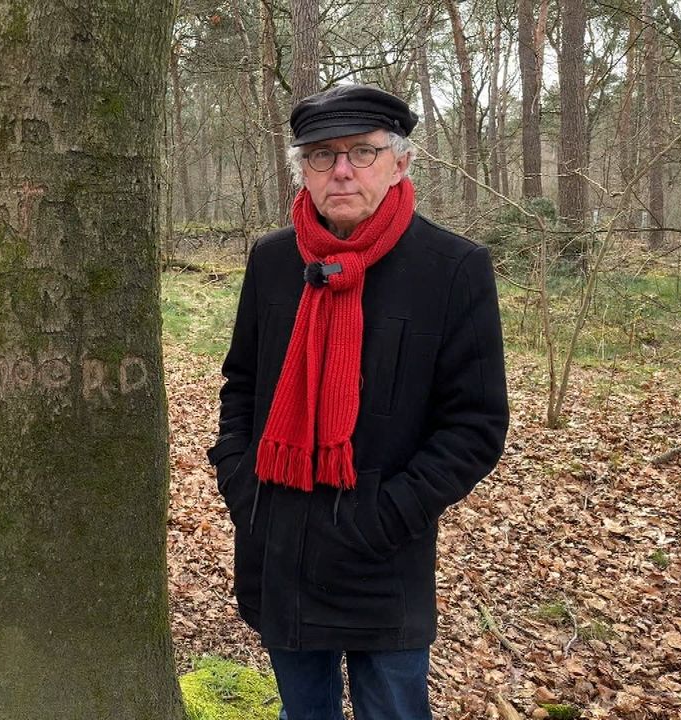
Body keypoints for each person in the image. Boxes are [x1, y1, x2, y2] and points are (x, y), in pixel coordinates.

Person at [207, 84, 509, 719]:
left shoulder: (451, 268)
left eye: (362, 152)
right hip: (279, 545)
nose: (341, 169)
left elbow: (475, 425)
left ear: (399, 162)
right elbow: (241, 387)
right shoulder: (272, 262)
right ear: (304, 171)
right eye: (322, 154)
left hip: (383, 560)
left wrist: (386, 516)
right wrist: (242, 489)